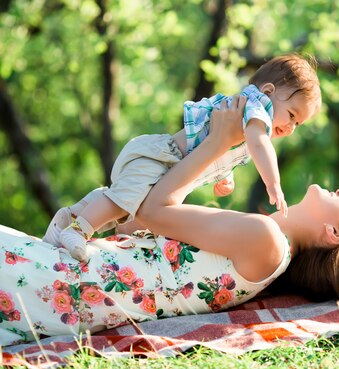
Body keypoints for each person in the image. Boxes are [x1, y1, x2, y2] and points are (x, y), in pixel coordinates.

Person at [0, 98, 339, 346]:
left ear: (334, 235)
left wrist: (217, 143)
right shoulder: (263, 243)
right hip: (64, 282)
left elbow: (150, 210)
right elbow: (137, 224)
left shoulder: (266, 241)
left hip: (63, 282)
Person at [44, 54, 322, 262]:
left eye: (298, 125)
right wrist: (273, 183)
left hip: (164, 164)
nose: (290, 127)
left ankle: (70, 218)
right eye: (292, 115)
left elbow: (223, 143)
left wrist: (225, 176)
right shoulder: (257, 107)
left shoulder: (248, 116)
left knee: (129, 210)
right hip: (159, 157)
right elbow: (258, 142)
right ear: (269, 92)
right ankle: (79, 231)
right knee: (125, 202)